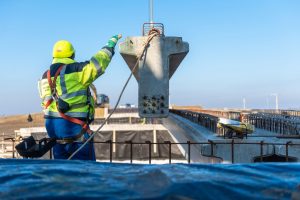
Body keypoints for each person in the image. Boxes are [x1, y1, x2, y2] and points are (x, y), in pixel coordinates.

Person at [38, 35, 122, 160]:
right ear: (72, 55)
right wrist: (109, 46)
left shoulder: (45, 75)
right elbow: (98, 64)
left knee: (61, 173)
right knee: (85, 171)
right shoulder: (76, 70)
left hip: (53, 130)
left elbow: (45, 101)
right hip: (74, 129)